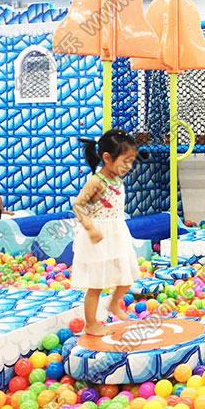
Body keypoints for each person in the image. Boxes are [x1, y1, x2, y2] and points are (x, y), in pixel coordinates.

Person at [71, 129, 141, 336]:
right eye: (125, 161)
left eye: (131, 162)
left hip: (117, 232)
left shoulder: (117, 179)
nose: (129, 167)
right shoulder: (96, 182)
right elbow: (78, 206)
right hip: (98, 236)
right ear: (107, 158)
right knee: (96, 285)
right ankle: (91, 324)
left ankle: (113, 303)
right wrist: (90, 228)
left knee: (127, 277)